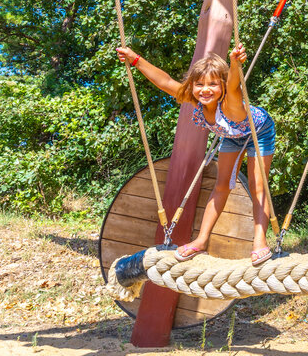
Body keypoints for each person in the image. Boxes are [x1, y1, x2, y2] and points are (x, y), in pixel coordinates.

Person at [116, 43, 277, 265]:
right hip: (232, 136)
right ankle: (201, 240)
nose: (205, 89)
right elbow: (165, 82)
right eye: (199, 84)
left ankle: (259, 242)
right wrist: (135, 59)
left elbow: (232, 84)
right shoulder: (196, 101)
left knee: (257, 185)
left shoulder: (229, 102)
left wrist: (233, 63)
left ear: (221, 86)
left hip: (259, 132)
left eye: (213, 84)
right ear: (192, 86)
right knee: (221, 186)